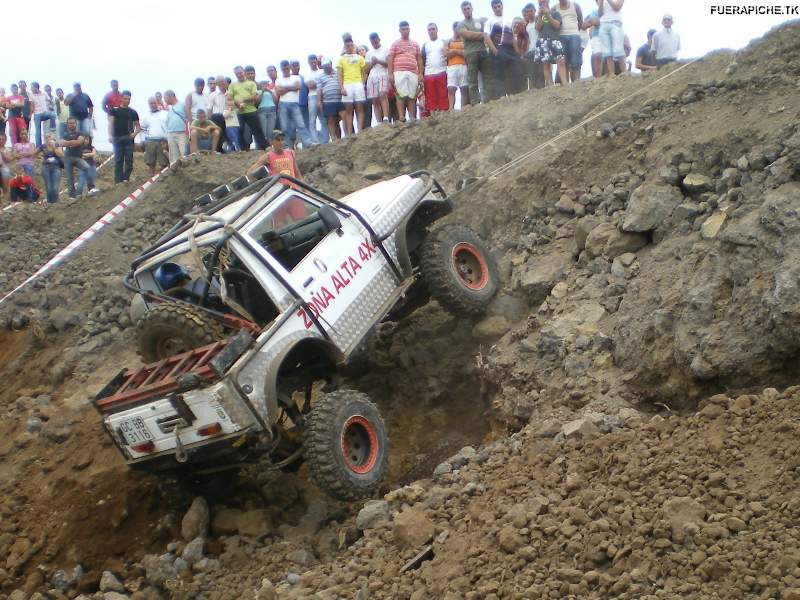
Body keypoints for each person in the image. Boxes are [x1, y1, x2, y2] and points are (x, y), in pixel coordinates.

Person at [388, 21, 424, 122]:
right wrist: (390, 73)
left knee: (412, 95)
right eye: (403, 29)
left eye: (407, 29)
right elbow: (390, 58)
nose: (405, 31)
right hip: (399, 71)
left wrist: (420, 73)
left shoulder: (415, 44)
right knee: (400, 94)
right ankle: (401, 116)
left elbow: (419, 58)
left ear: (410, 29)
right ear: (399, 30)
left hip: (413, 72)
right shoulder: (395, 44)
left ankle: (412, 118)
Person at [276, 60, 313, 149]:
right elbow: (278, 92)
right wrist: (291, 88)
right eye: (284, 68)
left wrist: (284, 88)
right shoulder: (278, 79)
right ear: (281, 69)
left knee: (300, 124)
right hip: (283, 104)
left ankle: (307, 142)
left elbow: (297, 87)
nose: (286, 69)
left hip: (295, 104)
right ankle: (287, 146)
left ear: (289, 67)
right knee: (284, 127)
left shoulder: (296, 77)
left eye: (287, 67)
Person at [458, 1, 491, 104]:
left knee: (487, 77)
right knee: (472, 80)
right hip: (471, 53)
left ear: (472, 8)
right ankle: (475, 102)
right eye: (464, 9)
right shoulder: (461, 24)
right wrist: (482, 35)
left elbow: (491, 24)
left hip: (483, 51)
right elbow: (467, 34)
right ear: (462, 11)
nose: (467, 11)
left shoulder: (480, 21)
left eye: (468, 8)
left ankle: (488, 100)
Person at [230, 65, 267, 151]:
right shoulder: (233, 85)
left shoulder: (251, 83)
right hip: (239, 111)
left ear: (244, 72)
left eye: (240, 72)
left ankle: (265, 147)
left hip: (251, 110)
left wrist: (242, 100)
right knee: (240, 131)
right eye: (237, 74)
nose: (239, 75)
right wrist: (238, 103)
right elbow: (229, 98)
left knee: (257, 129)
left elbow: (254, 96)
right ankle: (243, 149)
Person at [59, 118, 97, 198]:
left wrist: (68, 143)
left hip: (78, 157)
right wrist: (73, 142)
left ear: (76, 124)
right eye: (70, 123)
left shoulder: (80, 133)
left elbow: (79, 142)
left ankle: (91, 188)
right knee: (70, 178)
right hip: (68, 158)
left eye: (73, 123)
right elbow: (62, 143)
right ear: (67, 124)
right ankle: (72, 196)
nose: (71, 124)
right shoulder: (65, 134)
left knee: (87, 168)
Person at [337, 39, 367, 135]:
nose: (350, 47)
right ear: (345, 47)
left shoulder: (360, 58)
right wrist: (341, 87)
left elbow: (364, 72)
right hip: (347, 84)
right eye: (347, 46)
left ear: (354, 46)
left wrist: (362, 83)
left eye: (351, 45)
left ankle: (360, 131)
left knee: (359, 108)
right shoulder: (341, 59)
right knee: (349, 110)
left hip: (358, 84)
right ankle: (350, 132)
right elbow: (339, 75)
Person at [109, 91, 140, 183]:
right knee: (118, 160)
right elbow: (110, 124)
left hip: (128, 138)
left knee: (129, 160)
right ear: (121, 99)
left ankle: (126, 178)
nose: (127, 101)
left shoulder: (133, 112)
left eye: (128, 99)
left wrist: (134, 134)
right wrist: (110, 136)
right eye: (125, 98)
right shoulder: (114, 111)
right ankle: (118, 181)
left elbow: (138, 126)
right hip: (117, 138)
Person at [535, 0, 567, 86]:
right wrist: (541, 15)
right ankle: (550, 85)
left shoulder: (555, 13)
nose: (542, 2)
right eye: (540, 1)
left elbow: (557, 26)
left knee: (561, 61)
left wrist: (548, 14)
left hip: (554, 40)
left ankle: (565, 83)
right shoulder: (538, 16)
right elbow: (538, 28)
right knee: (546, 64)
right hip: (543, 41)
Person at [422, 23, 449, 114]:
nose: (431, 31)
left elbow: (447, 56)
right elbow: (422, 59)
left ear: (437, 30)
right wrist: (421, 74)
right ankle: (432, 114)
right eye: (429, 30)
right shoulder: (425, 44)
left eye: (433, 29)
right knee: (430, 96)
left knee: (443, 94)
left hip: (441, 71)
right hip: (429, 73)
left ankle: (443, 114)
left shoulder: (443, 42)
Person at [365, 34, 391, 125]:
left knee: (382, 94)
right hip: (372, 76)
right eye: (372, 41)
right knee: (374, 99)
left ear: (379, 39)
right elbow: (366, 69)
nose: (374, 43)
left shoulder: (386, 49)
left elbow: (388, 64)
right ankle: (379, 121)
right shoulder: (368, 53)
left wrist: (378, 61)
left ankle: (386, 117)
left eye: (375, 40)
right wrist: (372, 63)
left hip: (383, 74)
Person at [317, 58, 346, 140]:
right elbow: (319, 89)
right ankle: (333, 138)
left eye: (328, 65)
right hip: (328, 101)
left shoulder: (338, 73)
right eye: (325, 66)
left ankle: (347, 135)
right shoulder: (320, 77)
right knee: (331, 120)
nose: (326, 67)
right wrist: (319, 101)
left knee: (344, 116)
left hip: (340, 99)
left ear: (331, 64)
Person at [557, 0, 585, 83]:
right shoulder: (554, 8)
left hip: (574, 34)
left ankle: (576, 82)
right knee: (563, 62)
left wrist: (576, 31)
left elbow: (580, 20)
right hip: (560, 36)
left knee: (576, 62)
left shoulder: (575, 5)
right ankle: (565, 84)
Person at [140, 97, 169, 175]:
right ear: (148, 104)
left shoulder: (165, 114)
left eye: (154, 103)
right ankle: (151, 179)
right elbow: (142, 130)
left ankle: (164, 180)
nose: (153, 105)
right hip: (150, 141)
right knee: (151, 163)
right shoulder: (145, 116)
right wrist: (143, 141)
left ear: (157, 103)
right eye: (151, 103)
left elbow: (169, 127)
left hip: (162, 141)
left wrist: (168, 140)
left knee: (164, 163)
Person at [598, 0, 625, 77]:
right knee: (607, 52)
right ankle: (612, 74)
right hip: (603, 24)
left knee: (619, 49)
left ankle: (624, 72)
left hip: (615, 23)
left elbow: (617, 7)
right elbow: (600, 14)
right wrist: (601, 2)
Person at [446, 22, 469, 109]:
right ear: (454, 29)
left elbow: (467, 53)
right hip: (452, 67)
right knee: (451, 89)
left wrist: (454, 51)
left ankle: (463, 109)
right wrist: (460, 52)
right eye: (458, 28)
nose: (459, 30)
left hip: (463, 66)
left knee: (464, 89)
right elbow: (446, 54)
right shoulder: (448, 41)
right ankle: (451, 109)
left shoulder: (465, 41)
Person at [306, 54, 328, 143]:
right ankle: (315, 141)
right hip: (311, 97)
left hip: (322, 97)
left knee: (324, 120)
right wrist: (319, 84)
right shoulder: (307, 73)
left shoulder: (322, 72)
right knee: (312, 120)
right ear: (308, 62)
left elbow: (324, 85)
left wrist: (317, 84)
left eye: (314, 60)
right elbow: (310, 85)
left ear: (316, 61)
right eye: (311, 60)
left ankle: (325, 141)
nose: (313, 62)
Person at [164, 89, 189, 164]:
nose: (164, 100)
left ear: (170, 96)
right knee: (173, 156)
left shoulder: (182, 104)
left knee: (184, 153)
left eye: (165, 98)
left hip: (182, 133)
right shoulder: (170, 109)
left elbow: (188, 117)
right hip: (170, 133)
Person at [30, 82, 56, 148]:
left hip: (45, 113)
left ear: (36, 87)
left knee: (53, 114)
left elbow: (50, 101)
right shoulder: (31, 95)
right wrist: (30, 114)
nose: (31, 89)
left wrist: (51, 106)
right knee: (38, 131)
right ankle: (39, 147)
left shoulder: (44, 94)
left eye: (32, 87)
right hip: (37, 114)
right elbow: (32, 105)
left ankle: (53, 128)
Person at [40, 135, 64, 204]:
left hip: (56, 167)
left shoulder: (57, 145)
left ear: (52, 138)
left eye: (49, 137)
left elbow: (61, 155)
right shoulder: (43, 146)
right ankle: (49, 202)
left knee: (55, 187)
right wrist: (40, 157)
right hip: (46, 167)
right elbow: (34, 153)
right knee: (49, 187)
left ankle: (55, 203)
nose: (48, 139)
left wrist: (53, 147)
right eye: (46, 137)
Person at [208, 75, 228, 152]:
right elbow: (209, 108)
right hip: (217, 117)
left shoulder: (229, 93)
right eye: (219, 82)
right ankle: (218, 148)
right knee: (217, 119)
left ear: (225, 82)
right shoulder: (213, 95)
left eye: (223, 81)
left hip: (228, 116)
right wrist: (209, 121)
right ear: (216, 84)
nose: (221, 83)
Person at [583, 2, 602, 78]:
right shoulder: (593, 13)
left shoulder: (609, 12)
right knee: (596, 56)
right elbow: (584, 24)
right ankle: (597, 78)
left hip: (605, 38)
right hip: (596, 38)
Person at [257, 80, 278, 146]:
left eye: (266, 83)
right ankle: (265, 144)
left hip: (272, 109)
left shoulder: (272, 91)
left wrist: (270, 92)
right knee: (263, 129)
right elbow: (257, 102)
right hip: (262, 110)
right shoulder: (258, 92)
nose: (264, 85)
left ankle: (270, 144)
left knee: (271, 130)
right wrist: (262, 92)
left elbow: (276, 101)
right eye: (262, 83)